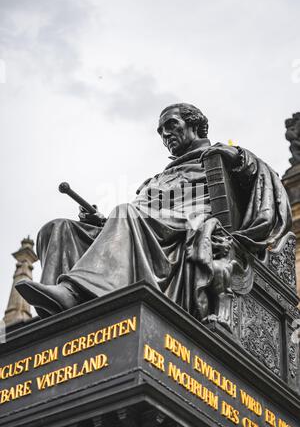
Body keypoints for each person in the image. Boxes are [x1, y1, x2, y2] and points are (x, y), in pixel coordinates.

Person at [16, 103, 292, 320]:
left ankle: (74, 292)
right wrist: (101, 224)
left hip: (187, 228)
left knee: (125, 214)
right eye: (160, 131)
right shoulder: (157, 179)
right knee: (58, 229)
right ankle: (60, 310)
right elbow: (133, 221)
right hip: (148, 231)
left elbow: (269, 186)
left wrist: (240, 159)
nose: (165, 135)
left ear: (195, 125)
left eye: (171, 125)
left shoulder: (224, 155)